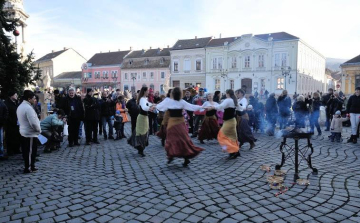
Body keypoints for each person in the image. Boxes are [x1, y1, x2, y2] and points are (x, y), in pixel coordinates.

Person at [156, 87, 204, 166]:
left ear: (173, 94)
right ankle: (185, 158)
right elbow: (192, 107)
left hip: (172, 124)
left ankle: (171, 156)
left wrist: (153, 106)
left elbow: (160, 107)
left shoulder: (169, 102)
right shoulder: (182, 102)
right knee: (183, 140)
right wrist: (202, 107)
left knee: (171, 141)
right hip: (180, 124)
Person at [208, 89, 240, 159]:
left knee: (221, 136)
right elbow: (240, 108)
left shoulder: (228, 100)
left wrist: (212, 107)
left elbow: (220, 107)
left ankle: (232, 151)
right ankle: (235, 152)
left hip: (229, 121)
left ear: (227, 93)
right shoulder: (233, 100)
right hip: (232, 121)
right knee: (232, 138)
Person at [17, 90, 41, 173]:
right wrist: (38, 130)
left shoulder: (21, 106)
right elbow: (33, 123)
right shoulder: (28, 108)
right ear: (29, 99)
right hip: (30, 133)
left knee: (26, 151)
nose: (35, 100)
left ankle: (31, 166)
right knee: (30, 152)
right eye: (33, 98)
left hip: (24, 132)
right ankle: (29, 167)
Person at [128, 87, 154, 157]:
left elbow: (148, 104)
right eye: (147, 91)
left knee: (144, 132)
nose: (148, 92)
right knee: (141, 133)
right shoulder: (142, 99)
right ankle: (140, 149)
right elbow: (144, 107)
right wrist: (150, 108)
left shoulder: (144, 99)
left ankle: (140, 148)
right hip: (142, 118)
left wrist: (154, 105)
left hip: (145, 117)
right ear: (144, 91)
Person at [4, 91, 21, 155]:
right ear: (11, 96)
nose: (16, 96)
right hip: (10, 123)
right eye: (15, 95)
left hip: (17, 122)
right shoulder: (6, 103)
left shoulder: (17, 103)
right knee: (10, 137)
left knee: (17, 136)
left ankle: (16, 149)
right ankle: (10, 150)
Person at [0, 86, 8, 160]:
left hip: (0, 124)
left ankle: (1, 154)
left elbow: (6, 111)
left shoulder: (1, 102)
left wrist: (3, 120)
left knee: (1, 141)